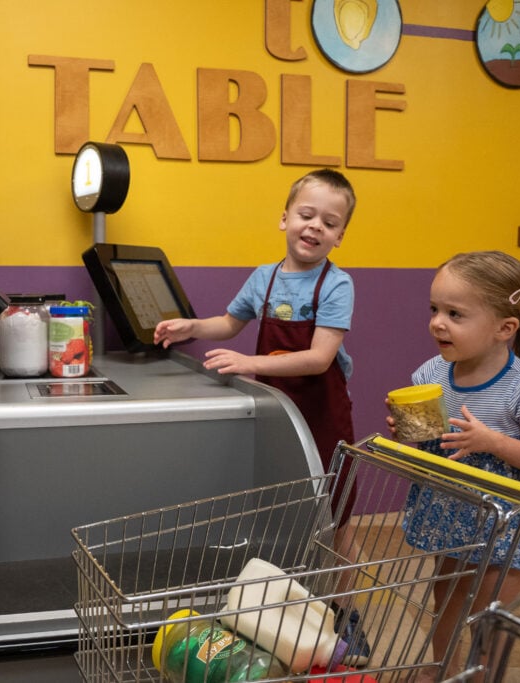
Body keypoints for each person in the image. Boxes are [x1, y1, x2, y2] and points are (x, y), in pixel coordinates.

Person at [153, 168, 368, 664]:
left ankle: (344, 612)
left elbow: (318, 358)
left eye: (329, 222)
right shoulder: (264, 278)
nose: (314, 227)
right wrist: (192, 326)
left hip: (322, 415)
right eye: (306, 214)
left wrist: (251, 363)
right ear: (284, 218)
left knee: (336, 520)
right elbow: (230, 323)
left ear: (340, 235)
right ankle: (273, 613)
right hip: (276, 415)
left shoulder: (337, 285)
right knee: (278, 512)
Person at [387, 251, 520, 680]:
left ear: (504, 328)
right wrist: (409, 433)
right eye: (435, 309)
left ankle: (480, 676)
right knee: (447, 599)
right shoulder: (431, 374)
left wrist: (492, 441)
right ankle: (435, 670)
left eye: (456, 314)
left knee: (487, 613)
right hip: (455, 511)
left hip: (513, 519)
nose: (438, 322)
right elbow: (430, 442)